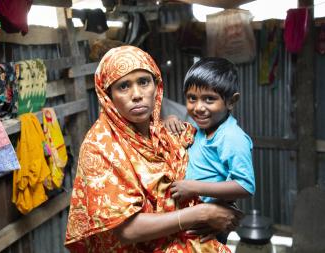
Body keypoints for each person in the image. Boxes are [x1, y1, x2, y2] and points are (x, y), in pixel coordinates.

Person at [64, 46, 242, 252]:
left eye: (143, 82)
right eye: (123, 86)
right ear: (108, 95)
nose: (137, 94)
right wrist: (203, 214)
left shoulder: (167, 132)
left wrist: (223, 208)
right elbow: (127, 231)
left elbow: (217, 161)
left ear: (156, 86)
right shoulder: (100, 147)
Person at [164, 57, 255, 243]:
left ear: (231, 101)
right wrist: (170, 120)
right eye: (192, 98)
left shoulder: (231, 137)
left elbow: (245, 186)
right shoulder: (200, 130)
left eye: (209, 99)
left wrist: (192, 187)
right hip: (193, 218)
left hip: (210, 225)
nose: (198, 107)